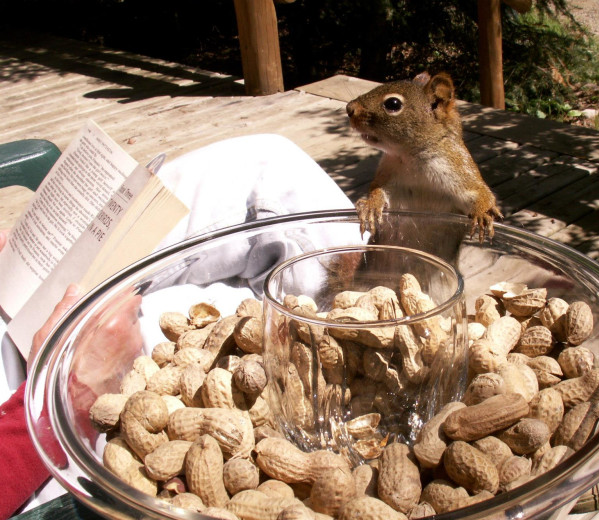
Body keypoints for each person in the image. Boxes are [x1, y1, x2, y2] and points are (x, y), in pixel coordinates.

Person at [0, 134, 356, 517]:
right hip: (34, 425)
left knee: (268, 166)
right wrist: (72, 390)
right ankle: (349, 353)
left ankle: (356, 327)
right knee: (236, 299)